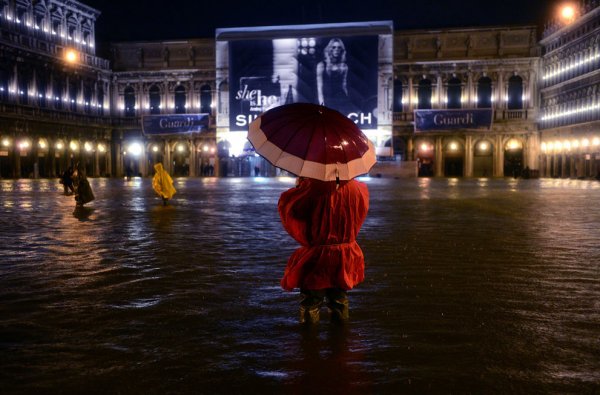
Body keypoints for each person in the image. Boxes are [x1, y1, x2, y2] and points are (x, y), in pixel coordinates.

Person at [278, 176, 369, 324]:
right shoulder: (358, 189)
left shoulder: (311, 188)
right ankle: (340, 340)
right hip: (344, 255)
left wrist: (299, 187)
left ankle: (308, 342)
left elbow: (294, 210)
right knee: (339, 300)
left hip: (318, 256)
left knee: (311, 302)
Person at [316, 38, 352, 114]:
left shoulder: (344, 66)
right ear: (330, 49)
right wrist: (321, 104)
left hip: (341, 100)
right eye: (334, 47)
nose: (336, 49)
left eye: (339, 47)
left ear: (341, 50)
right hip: (327, 99)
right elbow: (319, 87)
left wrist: (347, 102)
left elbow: (344, 85)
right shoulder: (321, 65)